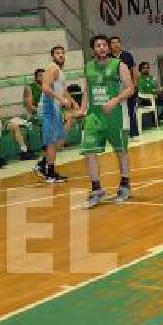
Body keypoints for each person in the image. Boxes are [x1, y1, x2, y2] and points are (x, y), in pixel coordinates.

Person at [76, 35, 135, 208]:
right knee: (89, 152)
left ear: (108, 48)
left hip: (115, 115)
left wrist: (116, 99)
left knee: (121, 151)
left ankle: (125, 185)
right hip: (94, 117)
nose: (101, 47)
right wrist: (82, 109)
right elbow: (87, 91)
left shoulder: (119, 65)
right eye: (97, 45)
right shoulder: (88, 67)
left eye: (104, 45)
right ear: (93, 49)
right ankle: (96, 189)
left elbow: (130, 88)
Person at [33, 46, 72, 183]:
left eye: (62, 53)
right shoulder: (52, 68)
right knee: (51, 141)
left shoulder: (60, 71)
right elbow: (45, 87)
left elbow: (63, 90)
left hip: (54, 108)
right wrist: (60, 99)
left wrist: (74, 103)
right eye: (57, 53)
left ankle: (42, 164)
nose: (60, 55)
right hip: (48, 108)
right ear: (52, 56)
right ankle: (49, 172)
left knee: (59, 140)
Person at [110, 36, 139, 140]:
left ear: (120, 44)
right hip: (114, 88)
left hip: (128, 87)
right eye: (113, 43)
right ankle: (117, 134)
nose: (115, 44)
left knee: (131, 110)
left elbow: (134, 70)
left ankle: (133, 134)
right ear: (110, 45)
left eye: (117, 42)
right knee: (115, 112)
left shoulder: (127, 55)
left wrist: (134, 85)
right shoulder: (108, 57)